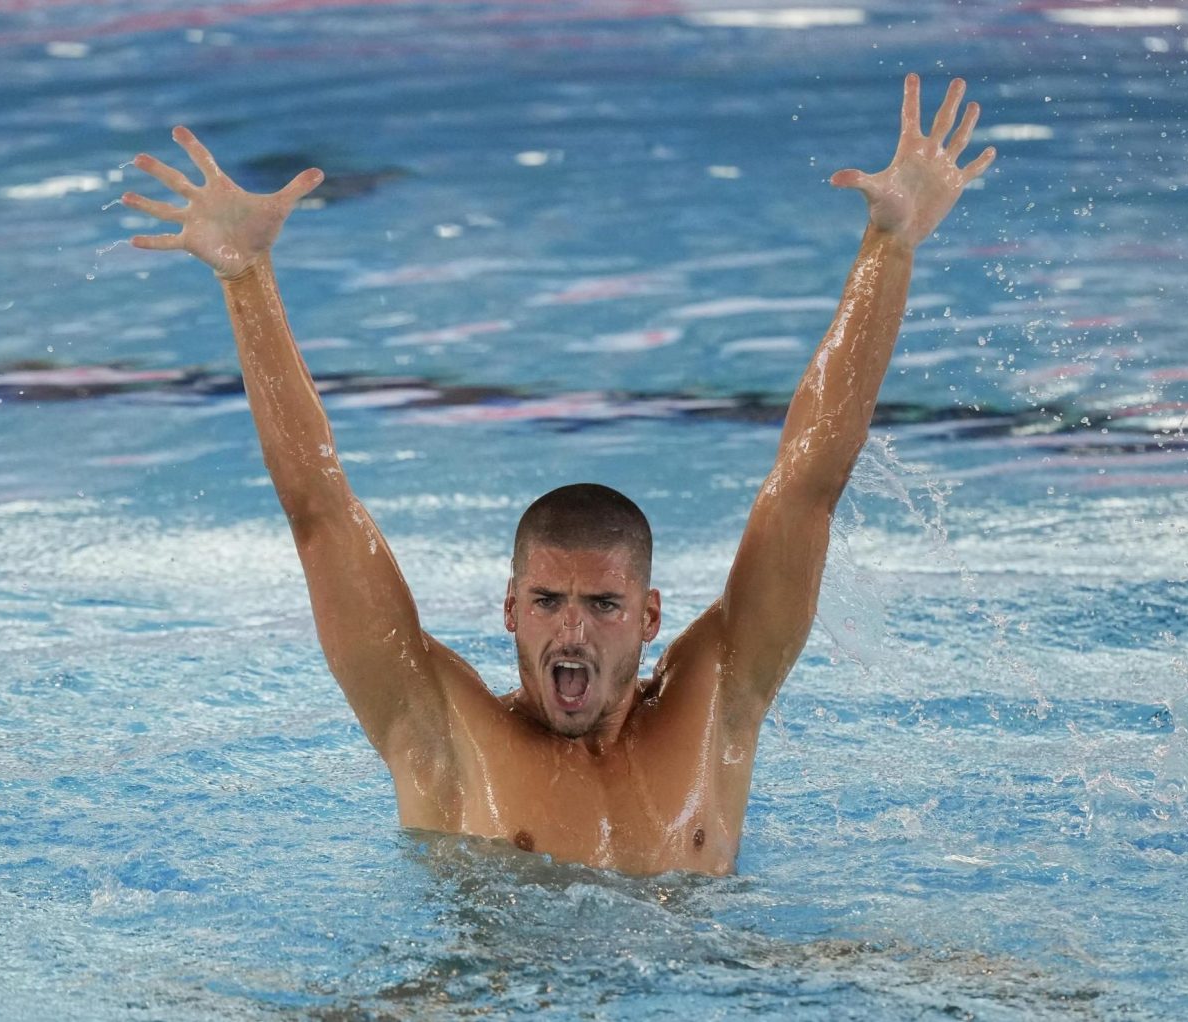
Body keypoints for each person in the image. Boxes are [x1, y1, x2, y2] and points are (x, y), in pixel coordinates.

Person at [122, 74, 996, 876]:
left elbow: (808, 482)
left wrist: (892, 246)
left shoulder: (720, 699)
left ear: (651, 616)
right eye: (546, 602)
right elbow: (319, 508)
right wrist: (247, 279)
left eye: (603, 605)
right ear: (509, 610)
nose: (571, 632)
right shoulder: (442, 732)